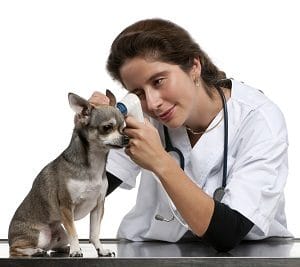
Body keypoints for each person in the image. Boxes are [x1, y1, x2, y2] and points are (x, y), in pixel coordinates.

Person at [89, 18, 292, 252]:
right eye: (138, 93)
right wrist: (89, 137)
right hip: (148, 252)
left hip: (250, 254)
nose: (153, 103)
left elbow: (226, 233)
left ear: (194, 66)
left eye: (159, 81)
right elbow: (77, 198)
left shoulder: (259, 120)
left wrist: (159, 161)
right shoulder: (140, 118)